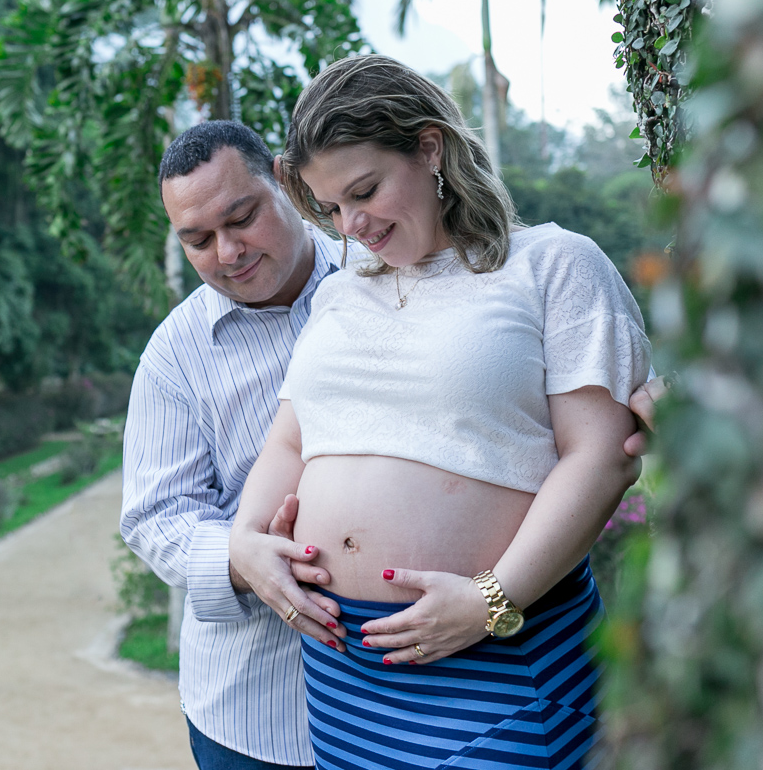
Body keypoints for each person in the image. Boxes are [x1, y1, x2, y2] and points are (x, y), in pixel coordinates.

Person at [122, 120, 662, 770]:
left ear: (282, 187)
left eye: (242, 218)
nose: (227, 250)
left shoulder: (383, 269)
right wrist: (240, 554)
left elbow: (595, 443)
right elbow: (157, 513)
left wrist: (493, 598)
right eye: (198, 240)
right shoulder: (174, 357)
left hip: (483, 650)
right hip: (268, 701)